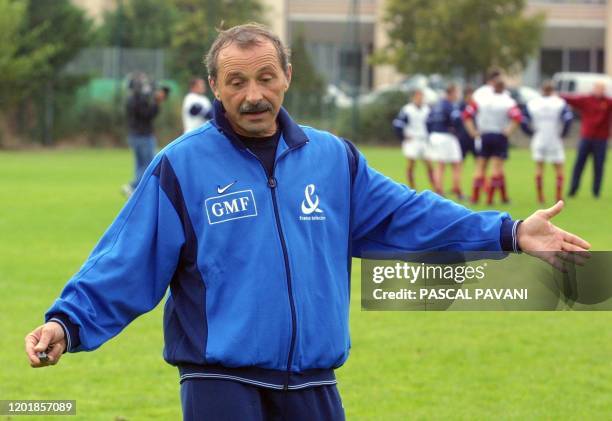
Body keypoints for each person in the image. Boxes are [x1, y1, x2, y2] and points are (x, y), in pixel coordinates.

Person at [25, 24, 590, 421]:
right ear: (215, 89)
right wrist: (68, 323)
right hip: (221, 382)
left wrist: (509, 231)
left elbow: (408, 214)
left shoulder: (332, 159)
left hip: (314, 381)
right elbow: (129, 258)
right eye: (237, 82)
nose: (253, 95)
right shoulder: (180, 166)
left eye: (266, 77)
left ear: (287, 77)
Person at [463, 79, 522, 205]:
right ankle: (489, 199)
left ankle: (475, 198)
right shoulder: (508, 101)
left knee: (480, 166)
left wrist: (472, 131)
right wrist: (509, 131)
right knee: (497, 168)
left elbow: (466, 115)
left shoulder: (482, 100)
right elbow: (517, 117)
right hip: (499, 135)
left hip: (484, 135)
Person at [521, 81, 574, 203]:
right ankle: (558, 196)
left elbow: (523, 120)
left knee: (539, 167)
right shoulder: (559, 102)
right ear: (553, 90)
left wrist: (529, 132)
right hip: (554, 138)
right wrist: (564, 133)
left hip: (539, 138)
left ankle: (540, 197)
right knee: (559, 169)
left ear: (541, 90)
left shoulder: (533, 103)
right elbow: (568, 119)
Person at [560, 81, 612, 198]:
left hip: (601, 140)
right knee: (579, 164)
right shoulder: (586, 100)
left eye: (602, 89)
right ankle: (573, 189)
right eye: (598, 88)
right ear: (594, 89)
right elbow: (571, 99)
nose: (600, 91)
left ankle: (596, 192)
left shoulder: (608, 102)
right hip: (586, 138)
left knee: (598, 166)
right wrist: (556, 94)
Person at [122, 72, 168, 197]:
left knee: (140, 165)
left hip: (135, 135)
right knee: (148, 164)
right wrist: (157, 103)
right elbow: (147, 114)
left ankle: (136, 189)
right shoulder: (137, 100)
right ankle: (133, 186)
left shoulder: (130, 99)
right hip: (143, 135)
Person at [426, 84, 464, 199]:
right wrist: (456, 131)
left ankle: (439, 191)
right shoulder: (450, 106)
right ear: (451, 93)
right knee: (456, 164)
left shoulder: (436, 105)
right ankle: (456, 190)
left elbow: (427, 121)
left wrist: (431, 133)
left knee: (440, 164)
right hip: (446, 137)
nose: (457, 95)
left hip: (434, 136)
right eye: (456, 93)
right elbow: (457, 120)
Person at [392, 89, 434, 189]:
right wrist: (403, 136)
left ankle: (436, 189)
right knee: (411, 165)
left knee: (429, 164)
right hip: (412, 140)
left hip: (423, 140)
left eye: (422, 96)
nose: (420, 99)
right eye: (418, 96)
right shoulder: (407, 109)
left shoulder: (426, 109)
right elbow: (398, 123)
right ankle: (412, 188)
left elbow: (430, 124)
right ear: (413, 97)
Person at [457, 85, 477, 161]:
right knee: (460, 158)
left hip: (474, 136)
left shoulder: (475, 106)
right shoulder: (461, 106)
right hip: (463, 135)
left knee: (479, 158)